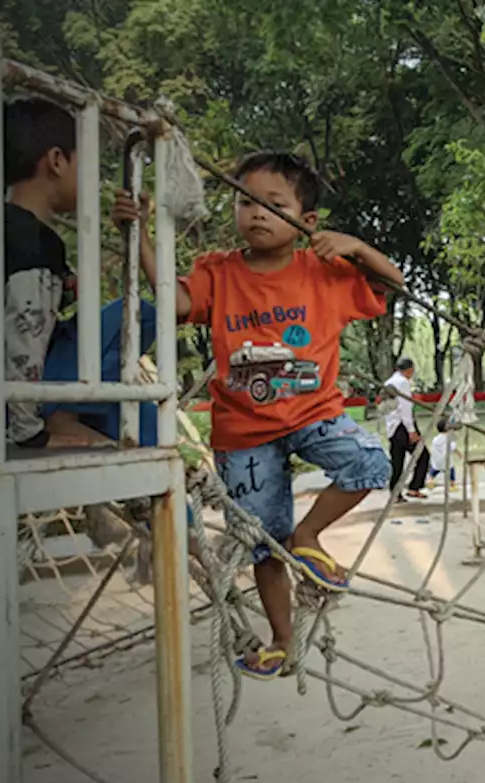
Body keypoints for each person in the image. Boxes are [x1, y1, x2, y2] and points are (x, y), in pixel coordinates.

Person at [131, 150, 402, 679]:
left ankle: (311, 536)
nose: (254, 213)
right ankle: (282, 639)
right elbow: (176, 302)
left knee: (371, 462)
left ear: (307, 222)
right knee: (261, 538)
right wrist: (137, 234)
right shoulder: (218, 271)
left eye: (272, 204)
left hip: (313, 412)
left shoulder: (325, 270)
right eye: (244, 201)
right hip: (244, 432)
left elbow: (392, 284)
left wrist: (358, 247)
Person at [3, 97, 159, 449]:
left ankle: (68, 411)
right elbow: (23, 331)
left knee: (136, 411)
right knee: (139, 313)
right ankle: (58, 414)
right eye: (86, 164)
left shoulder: (9, 227)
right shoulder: (31, 240)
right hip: (14, 402)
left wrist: (132, 237)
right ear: (57, 161)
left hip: (19, 386)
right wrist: (30, 433)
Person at [382, 357, 430, 500]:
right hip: (402, 425)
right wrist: (411, 430)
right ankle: (415, 487)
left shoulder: (388, 382)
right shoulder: (403, 383)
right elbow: (405, 407)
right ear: (409, 370)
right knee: (423, 455)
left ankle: (395, 492)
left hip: (392, 425)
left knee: (397, 460)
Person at [428, 418, 460, 489]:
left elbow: (433, 450)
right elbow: (453, 447)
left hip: (437, 461)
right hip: (446, 461)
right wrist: (459, 454)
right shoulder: (448, 438)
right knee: (451, 469)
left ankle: (430, 480)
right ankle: (452, 484)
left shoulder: (435, 439)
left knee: (434, 469)